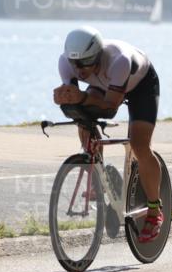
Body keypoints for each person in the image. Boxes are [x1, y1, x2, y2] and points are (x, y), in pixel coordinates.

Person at [53, 26, 164, 242]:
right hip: (104, 85)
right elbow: (77, 101)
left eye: (85, 62)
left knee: (140, 145)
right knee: (83, 118)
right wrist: (67, 98)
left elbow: (110, 107)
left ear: (97, 55)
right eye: (75, 64)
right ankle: (99, 173)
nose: (79, 69)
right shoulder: (66, 63)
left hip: (140, 85)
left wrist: (81, 98)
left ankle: (154, 210)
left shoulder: (118, 60)